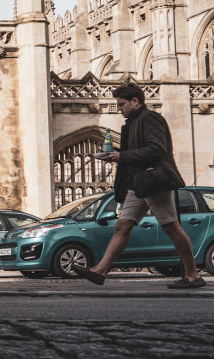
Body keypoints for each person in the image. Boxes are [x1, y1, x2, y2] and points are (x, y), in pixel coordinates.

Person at [75, 84, 205, 289]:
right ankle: (100, 271)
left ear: (135, 101)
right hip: (138, 183)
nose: (119, 109)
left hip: (153, 181)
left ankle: (192, 275)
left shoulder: (150, 118)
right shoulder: (134, 122)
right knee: (122, 226)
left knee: (171, 226)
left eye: (122, 104)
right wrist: (116, 155)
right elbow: (137, 151)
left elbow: (156, 149)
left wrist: (121, 156)